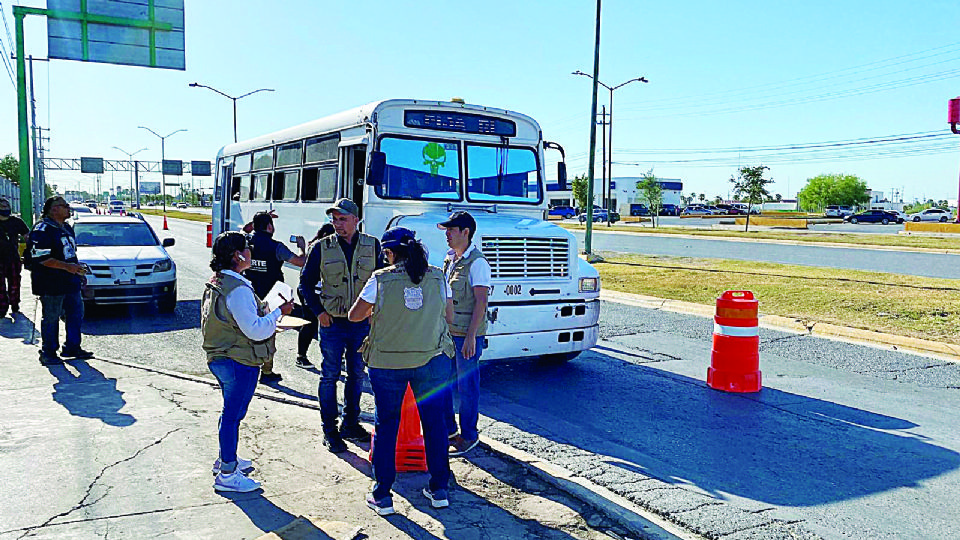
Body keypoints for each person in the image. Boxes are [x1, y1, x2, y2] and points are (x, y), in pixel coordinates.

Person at [347, 227, 455, 515]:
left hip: (387, 363)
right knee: (434, 425)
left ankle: (383, 494)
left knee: (387, 427)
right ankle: (439, 488)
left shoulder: (380, 279)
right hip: (431, 359)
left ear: (391, 253)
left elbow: (354, 315)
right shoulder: (437, 275)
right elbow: (450, 315)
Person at [202, 231, 293, 492]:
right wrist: (278, 312)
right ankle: (228, 474)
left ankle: (225, 459)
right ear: (237, 255)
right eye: (247, 248)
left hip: (222, 357)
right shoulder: (238, 289)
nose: (251, 252)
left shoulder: (220, 280)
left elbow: (240, 318)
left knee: (229, 413)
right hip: (237, 359)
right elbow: (255, 330)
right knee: (232, 415)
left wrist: (267, 309)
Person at [300, 198, 381, 453]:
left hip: (361, 324)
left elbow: (383, 282)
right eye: (334, 219)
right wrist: (319, 313)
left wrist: (374, 313)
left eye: (343, 219)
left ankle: (351, 423)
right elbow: (305, 284)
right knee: (330, 375)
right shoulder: (321, 247)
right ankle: (329, 429)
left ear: (356, 220)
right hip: (332, 322)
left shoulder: (372, 245)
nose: (337, 224)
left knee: (357, 374)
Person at [437, 211, 490, 456]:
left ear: (465, 232)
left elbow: (481, 303)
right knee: (443, 384)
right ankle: (449, 430)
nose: (447, 234)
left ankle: (469, 435)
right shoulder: (450, 260)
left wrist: (470, 337)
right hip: (448, 335)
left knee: (467, 387)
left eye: (451, 230)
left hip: (466, 336)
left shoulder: (477, 263)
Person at [27, 196, 93, 365]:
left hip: (70, 281)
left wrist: (77, 270)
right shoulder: (42, 229)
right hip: (50, 283)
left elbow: (69, 253)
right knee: (51, 317)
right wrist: (67, 267)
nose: (68, 208)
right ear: (54, 209)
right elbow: (41, 258)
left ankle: (72, 347)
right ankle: (48, 352)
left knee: (76, 315)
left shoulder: (66, 228)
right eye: (64, 206)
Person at [242, 211, 307, 381]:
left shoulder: (245, 241)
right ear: (270, 227)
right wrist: (302, 246)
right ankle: (267, 371)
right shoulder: (277, 247)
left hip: (248, 293)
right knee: (269, 330)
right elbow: (300, 262)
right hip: (270, 296)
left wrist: (257, 220)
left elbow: (245, 229)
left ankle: (247, 365)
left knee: (246, 329)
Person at [0, 197, 29, 318]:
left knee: (15, 283)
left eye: (7, 206)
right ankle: (2, 307)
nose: (5, 209)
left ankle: (15, 304)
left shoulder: (16, 222)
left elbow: (27, 235)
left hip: (13, 258)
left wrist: (29, 250)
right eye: (2, 207)